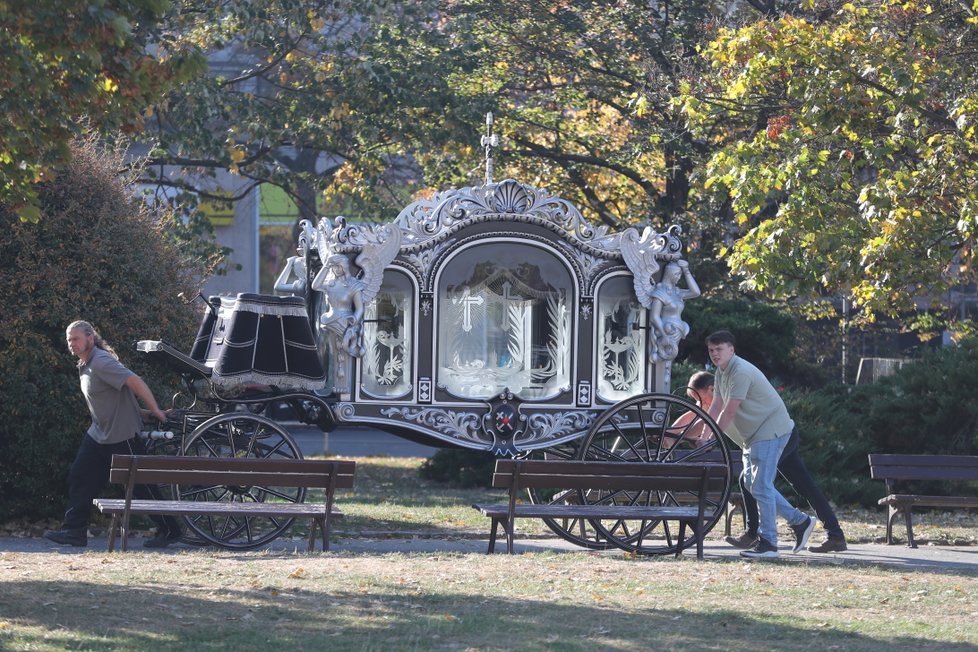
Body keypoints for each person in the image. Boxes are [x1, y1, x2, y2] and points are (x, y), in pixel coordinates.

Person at [43, 321, 183, 548]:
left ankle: (170, 530)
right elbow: (117, 399)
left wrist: (156, 410)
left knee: (142, 487)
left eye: (76, 339)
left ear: (90, 338)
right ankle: (74, 531)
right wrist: (145, 414)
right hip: (98, 434)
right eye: (69, 340)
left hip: (121, 435)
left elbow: (134, 382)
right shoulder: (85, 364)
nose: (72, 344)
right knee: (80, 477)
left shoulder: (101, 361)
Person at [678, 371, 848, 553]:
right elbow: (694, 417)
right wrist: (673, 434)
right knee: (798, 485)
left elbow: (702, 423)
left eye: (701, 399)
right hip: (776, 437)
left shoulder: (728, 401)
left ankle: (766, 531)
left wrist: (682, 436)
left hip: (776, 437)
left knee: (753, 480)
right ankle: (834, 535)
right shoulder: (713, 403)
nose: (700, 405)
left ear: (712, 389)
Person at [704, 330, 815, 559]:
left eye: (719, 349)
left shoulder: (740, 371)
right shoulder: (721, 371)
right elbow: (715, 406)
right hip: (755, 435)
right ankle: (800, 522)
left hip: (770, 429)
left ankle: (769, 545)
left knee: (761, 485)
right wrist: (706, 436)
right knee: (749, 481)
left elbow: (730, 410)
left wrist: (712, 439)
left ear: (731, 350)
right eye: (712, 350)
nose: (715, 354)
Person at [311, 254, 366, 392]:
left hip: (345, 322)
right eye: (334, 266)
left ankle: (343, 385)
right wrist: (326, 265)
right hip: (330, 321)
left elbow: (359, 308)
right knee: (334, 353)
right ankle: (336, 383)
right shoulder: (330, 283)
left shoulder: (354, 285)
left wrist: (355, 318)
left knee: (342, 351)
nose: (336, 269)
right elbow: (315, 285)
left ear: (345, 267)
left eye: (338, 266)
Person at [648, 260, 700, 363]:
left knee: (668, 362)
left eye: (680, 275)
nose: (679, 278)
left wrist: (686, 270)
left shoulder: (677, 292)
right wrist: (664, 335)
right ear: (670, 275)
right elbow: (654, 317)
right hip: (665, 331)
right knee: (664, 359)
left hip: (678, 331)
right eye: (677, 274)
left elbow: (696, 292)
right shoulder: (660, 292)